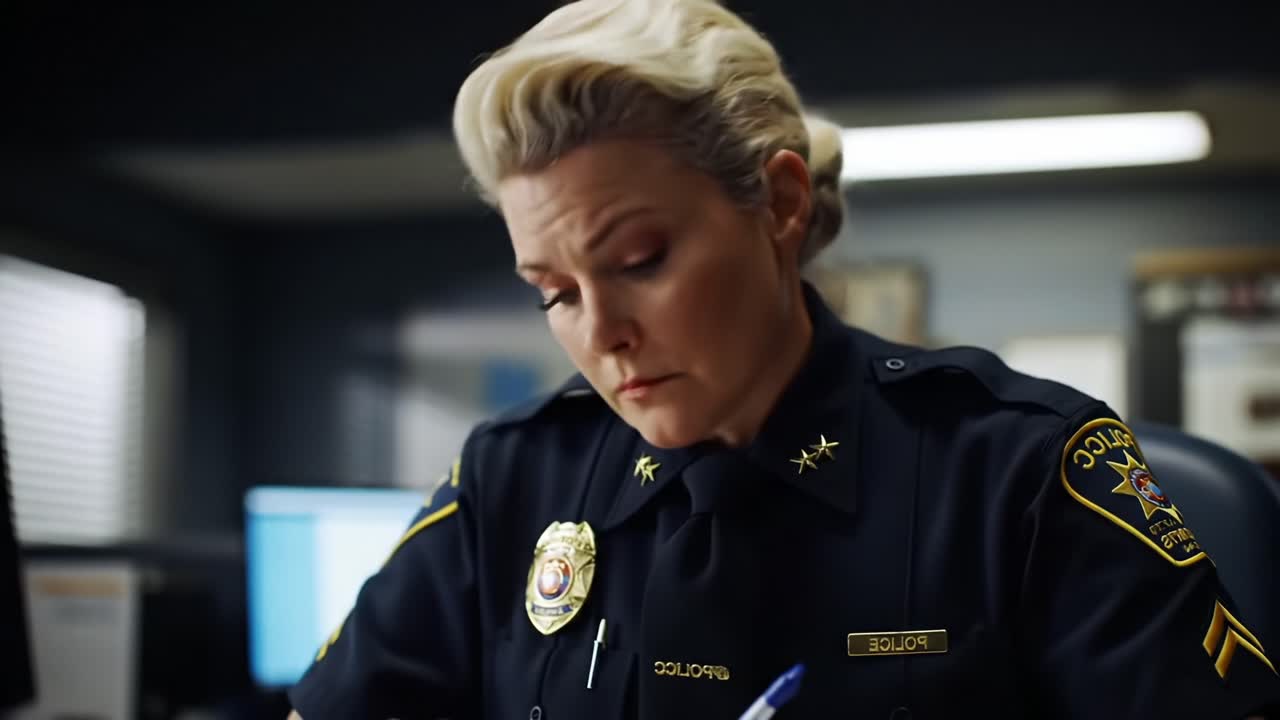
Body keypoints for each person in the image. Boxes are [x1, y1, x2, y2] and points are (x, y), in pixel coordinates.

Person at [287, 0, 1280, 717]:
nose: (601, 332)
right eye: (553, 292)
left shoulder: (1019, 471)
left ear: (782, 203)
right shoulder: (511, 476)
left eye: (639, 261)